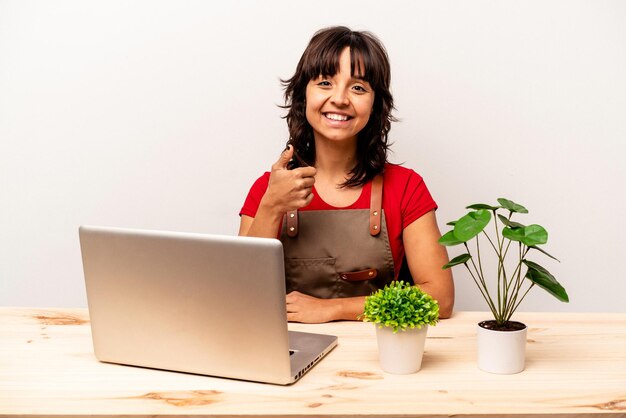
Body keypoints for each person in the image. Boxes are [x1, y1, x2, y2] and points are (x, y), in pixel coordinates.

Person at [239, 26, 454, 323]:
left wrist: (333, 309)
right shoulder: (268, 188)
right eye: (325, 82)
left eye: (358, 88)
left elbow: (440, 298)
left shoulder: (406, 187)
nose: (340, 99)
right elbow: (242, 297)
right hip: (289, 351)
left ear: (376, 104)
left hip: (382, 354)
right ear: (303, 94)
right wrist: (272, 206)